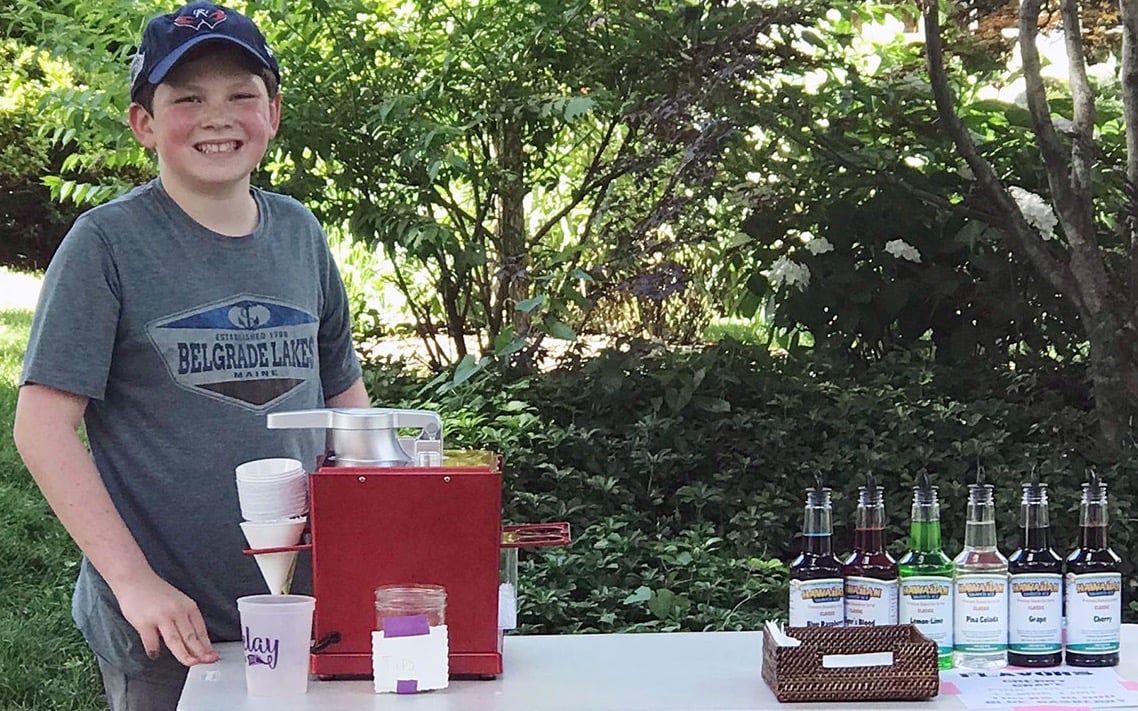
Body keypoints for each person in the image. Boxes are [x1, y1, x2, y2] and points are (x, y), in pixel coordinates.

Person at [12, 2, 371, 709]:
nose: (218, 117)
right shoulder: (106, 246)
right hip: (169, 624)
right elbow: (42, 428)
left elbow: (344, 401)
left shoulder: (299, 233)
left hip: (304, 605)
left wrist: (381, 525)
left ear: (273, 112)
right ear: (143, 123)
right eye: (188, 99)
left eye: (241, 95)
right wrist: (134, 582)